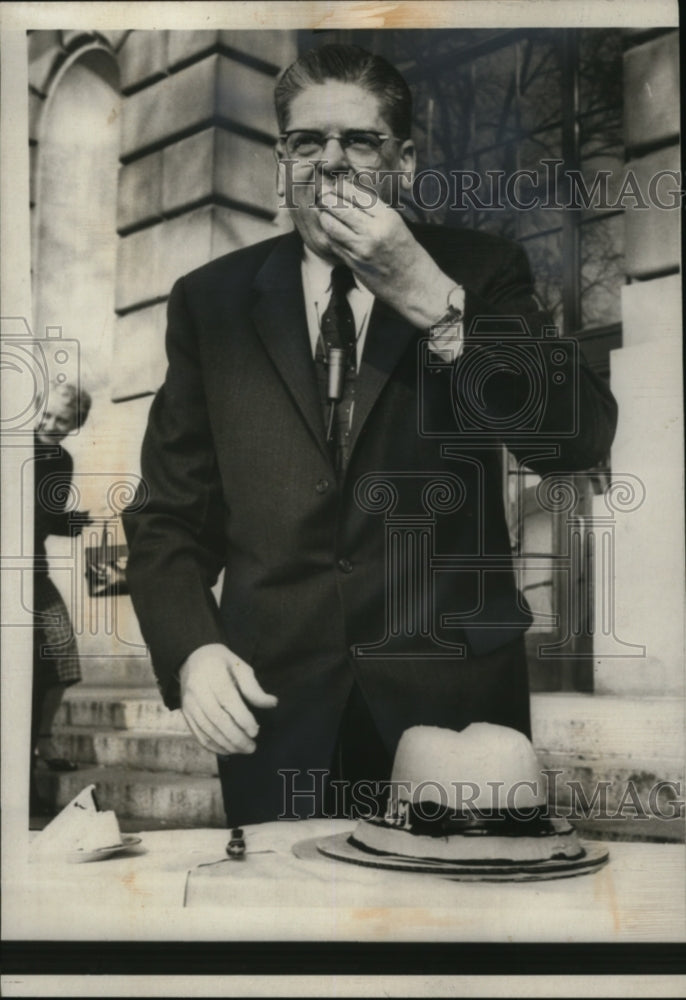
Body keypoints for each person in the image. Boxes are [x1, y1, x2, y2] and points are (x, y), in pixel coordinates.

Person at [123, 44, 617, 826]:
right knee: (293, 941)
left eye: (359, 141)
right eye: (306, 143)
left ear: (406, 161)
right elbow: (167, 518)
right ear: (281, 163)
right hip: (275, 708)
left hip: (454, 710)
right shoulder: (210, 303)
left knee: (448, 940)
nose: (331, 163)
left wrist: (436, 303)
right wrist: (191, 649)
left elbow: (577, 438)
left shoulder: (480, 271)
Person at [31, 381, 92, 812]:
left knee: (63, 650)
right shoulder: (12, 444)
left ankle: (44, 740)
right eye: (47, 415)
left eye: (63, 421)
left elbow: (45, 516)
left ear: (75, 426)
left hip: (33, 571)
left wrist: (69, 523)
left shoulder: (61, 459)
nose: (51, 425)